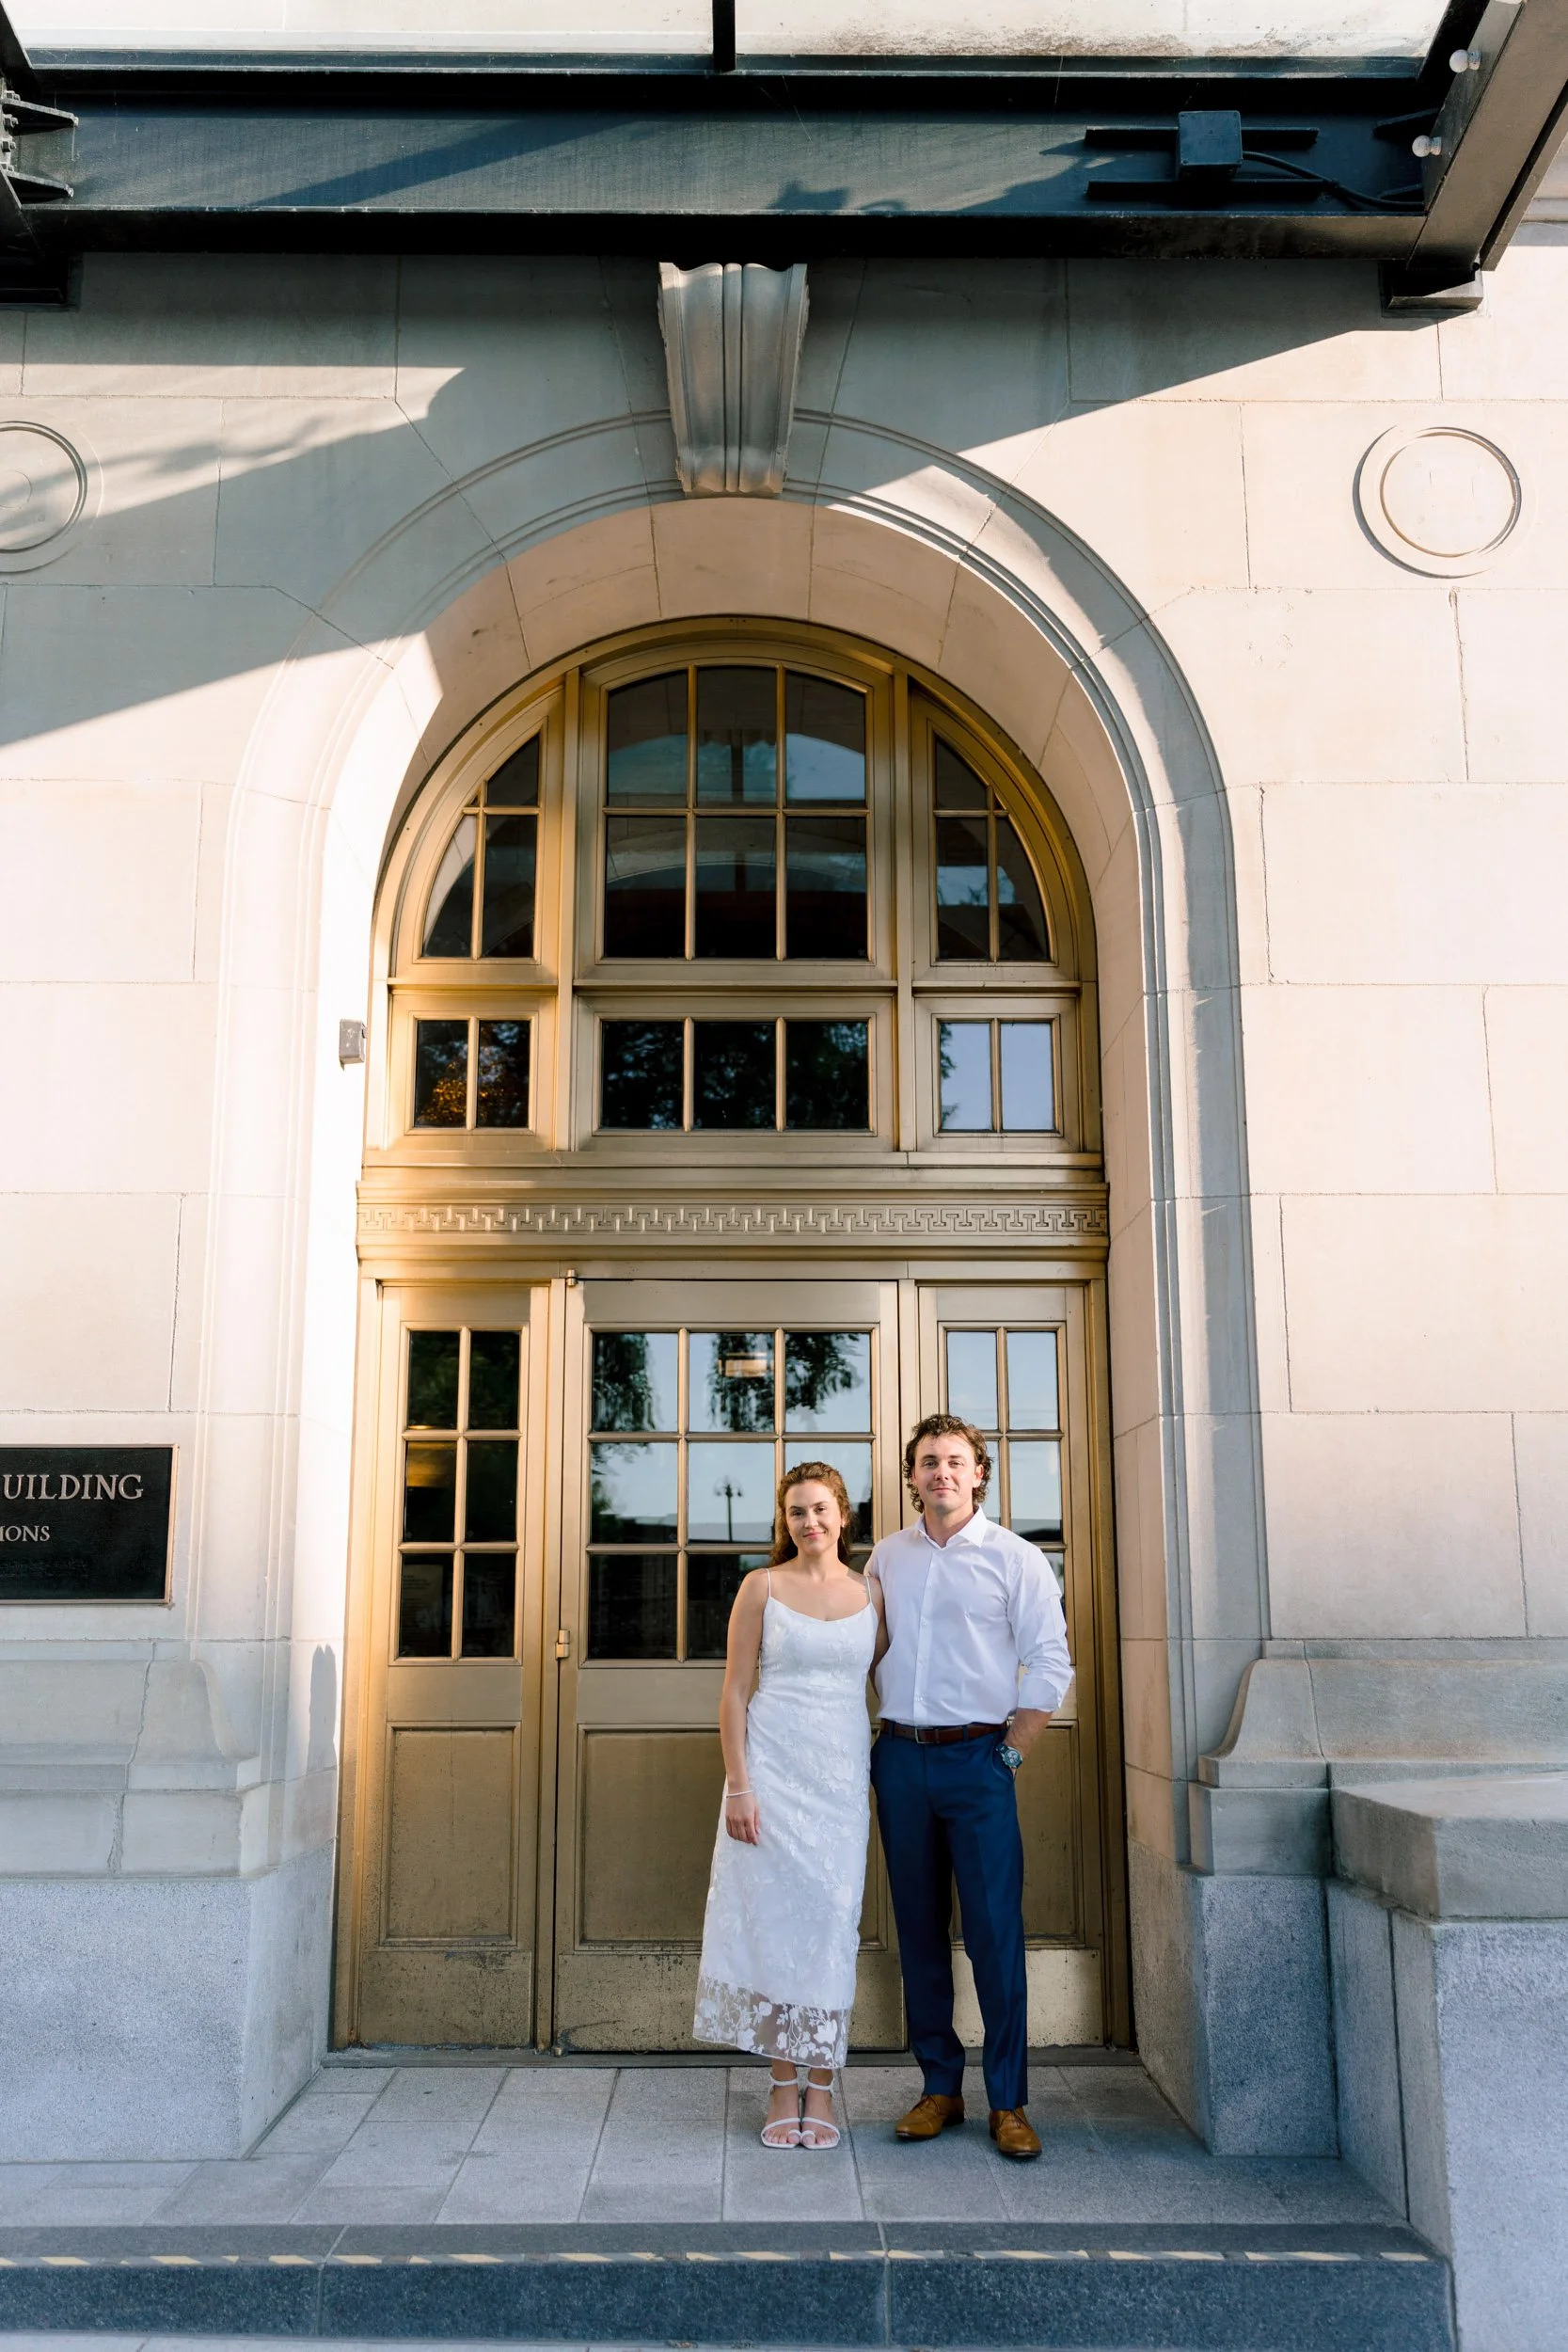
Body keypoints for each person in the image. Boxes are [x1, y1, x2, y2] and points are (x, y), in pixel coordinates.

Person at [865, 1414, 1073, 2162]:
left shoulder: (1015, 1558)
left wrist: (1010, 1756)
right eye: (928, 1462)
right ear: (911, 1476)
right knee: (918, 1932)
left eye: (955, 1461)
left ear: (979, 1473)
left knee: (992, 1935)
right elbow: (864, 1649)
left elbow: (1050, 1663)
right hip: (899, 1759)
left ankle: (1008, 2102)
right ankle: (939, 2089)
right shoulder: (887, 1557)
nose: (941, 1473)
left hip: (980, 1761)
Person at [692, 1462, 880, 2150]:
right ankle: (779, 2085)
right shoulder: (760, 1587)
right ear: (784, 1521)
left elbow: (884, 1682)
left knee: (830, 1927)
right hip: (768, 1779)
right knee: (774, 1928)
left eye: (821, 1509)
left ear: (843, 1516)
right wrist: (738, 1785)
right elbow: (734, 1693)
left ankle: (823, 2089)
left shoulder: (872, 1595)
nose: (809, 1522)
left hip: (837, 1789)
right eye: (797, 1512)